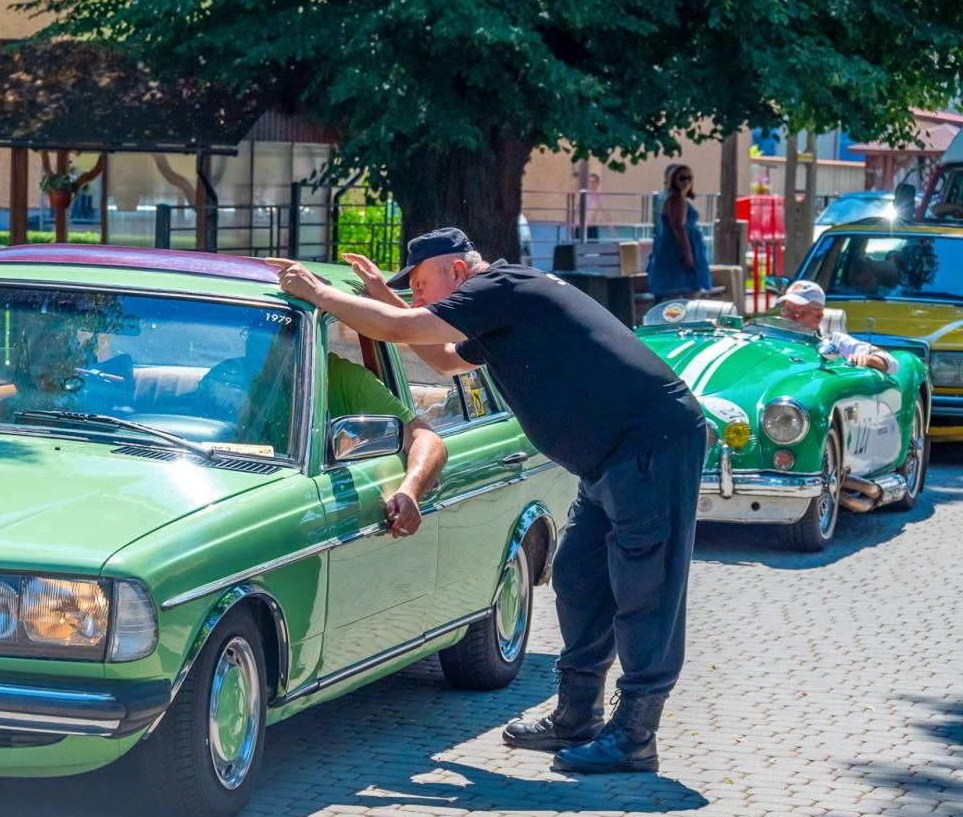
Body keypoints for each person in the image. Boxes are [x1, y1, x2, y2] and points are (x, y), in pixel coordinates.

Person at [268, 228, 706, 775]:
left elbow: (405, 329)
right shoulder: (499, 300)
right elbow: (445, 359)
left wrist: (318, 292)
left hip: (648, 444)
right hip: (608, 456)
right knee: (577, 578)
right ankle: (576, 716)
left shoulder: (500, 285)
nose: (423, 297)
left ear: (456, 270)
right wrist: (383, 294)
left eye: (423, 284)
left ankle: (635, 735)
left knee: (647, 588)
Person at [197, 318, 447, 538]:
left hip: (305, 502)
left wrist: (410, 491)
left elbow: (426, 439)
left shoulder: (344, 379)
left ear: (291, 342)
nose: (256, 348)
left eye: (267, 338)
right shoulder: (229, 378)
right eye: (251, 335)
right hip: (236, 496)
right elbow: (213, 444)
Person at [776, 280, 895, 371]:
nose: (789, 317)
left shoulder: (836, 341)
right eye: (786, 310)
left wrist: (868, 360)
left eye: (799, 312)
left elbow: (891, 363)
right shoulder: (772, 337)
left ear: (818, 317)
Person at [647, 163, 711, 302]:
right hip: (676, 249)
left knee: (677, 291)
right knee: (687, 290)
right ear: (673, 179)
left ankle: (679, 319)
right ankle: (683, 320)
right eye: (682, 178)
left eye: (689, 177)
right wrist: (688, 253)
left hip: (672, 246)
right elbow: (678, 227)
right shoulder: (675, 198)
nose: (687, 181)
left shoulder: (667, 197)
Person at [584, 172, 617, 240]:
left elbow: (606, 214)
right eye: (589, 181)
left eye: (593, 181)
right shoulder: (582, 195)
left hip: (592, 228)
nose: (591, 184)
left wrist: (612, 231)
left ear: (598, 183)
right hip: (581, 227)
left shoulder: (599, 197)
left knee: (594, 249)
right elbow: (575, 211)